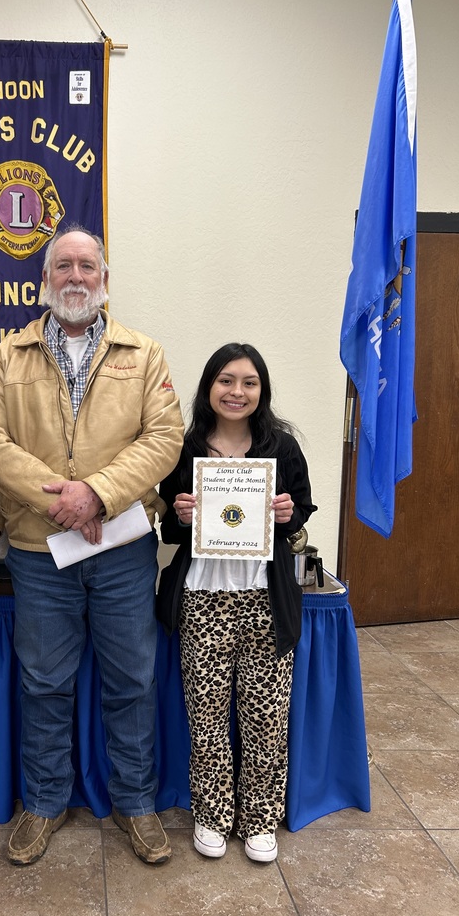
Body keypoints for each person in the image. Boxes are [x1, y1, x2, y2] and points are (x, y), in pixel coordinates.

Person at [0, 226, 184, 866]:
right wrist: (59, 500)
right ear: (45, 278)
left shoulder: (143, 355)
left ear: (105, 279)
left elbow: (163, 438)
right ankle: (43, 802)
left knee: (131, 680)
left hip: (121, 549)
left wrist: (95, 492)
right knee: (43, 682)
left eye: (87, 266)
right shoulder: (9, 356)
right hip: (40, 553)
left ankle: (137, 805)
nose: (76, 277)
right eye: (63, 265)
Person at [157, 343, 316, 863]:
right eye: (226, 381)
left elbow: (298, 528)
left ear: (262, 391)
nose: (237, 392)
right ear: (209, 387)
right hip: (204, 598)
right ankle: (211, 813)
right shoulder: (186, 450)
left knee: (266, 717)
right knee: (206, 715)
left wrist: (288, 516)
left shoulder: (283, 449)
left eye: (249, 382)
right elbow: (171, 529)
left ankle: (260, 819)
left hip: (266, 599)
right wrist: (180, 515)